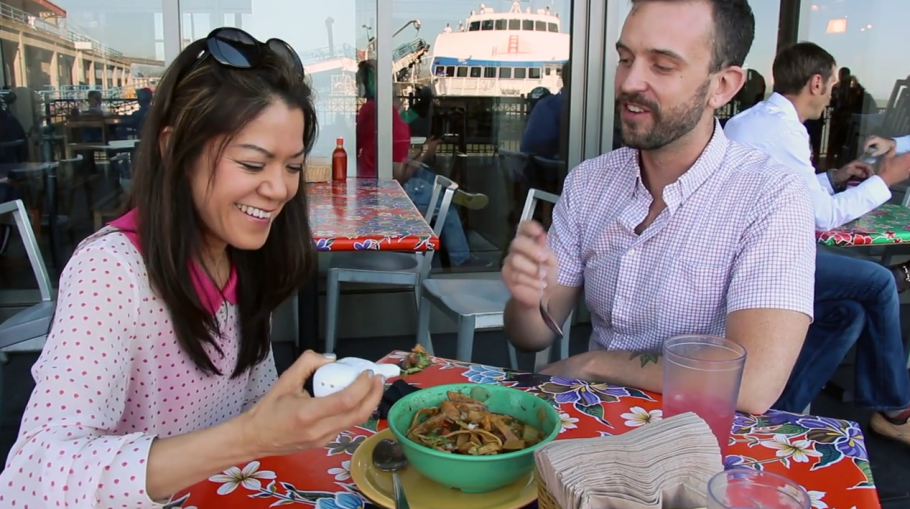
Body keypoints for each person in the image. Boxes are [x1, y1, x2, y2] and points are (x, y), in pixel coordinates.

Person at [0, 29, 385, 508]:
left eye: (291, 166)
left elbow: (254, 407)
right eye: (251, 163)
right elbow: (31, 478)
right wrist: (248, 436)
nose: (279, 189)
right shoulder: (112, 271)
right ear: (173, 148)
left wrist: (293, 419)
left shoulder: (243, 254)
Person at [501, 0, 817, 416]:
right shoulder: (590, 182)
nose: (630, 82)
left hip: (701, 444)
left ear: (722, 85)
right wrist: (526, 301)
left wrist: (594, 363)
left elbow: (753, 384)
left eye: (662, 66)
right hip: (593, 429)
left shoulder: (771, 196)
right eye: (626, 58)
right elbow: (533, 336)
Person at [724, 42, 910, 442]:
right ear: (816, 81)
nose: (833, 94)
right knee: (877, 283)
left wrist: (836, 178)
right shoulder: (780, 129)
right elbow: (822, 216)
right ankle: (895, 408)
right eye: (832, 85)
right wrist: (885, 181)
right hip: (757, 259)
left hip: (756, 247)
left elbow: (793, 191)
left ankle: (776, 411)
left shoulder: (760, 121)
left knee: (848, 312)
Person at [354, 60, 490, 267]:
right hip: (388, 192)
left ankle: (453, 191)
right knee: (446, 204)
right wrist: (426, 151)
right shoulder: (396, 127)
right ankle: (461, 258)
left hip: (367, 181)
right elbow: (398, 178)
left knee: (428, 176)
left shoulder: (367, 112)